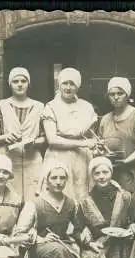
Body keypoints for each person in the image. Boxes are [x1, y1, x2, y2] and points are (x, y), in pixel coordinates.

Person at [16, 161, 84, 258]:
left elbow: (78, 228)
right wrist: (40, 239)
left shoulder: (72, 203)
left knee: (72, 252)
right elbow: (19, 233)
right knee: (56, 250)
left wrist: (83, 237)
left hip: (65, 244)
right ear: (46, 180)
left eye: (62, 178)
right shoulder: (35, 204)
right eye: (54, 178)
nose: (58, 182)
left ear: (66, 180)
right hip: (39, 247)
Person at [76, 157, 133, 258]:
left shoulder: (125, 196)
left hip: (121, 243)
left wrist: (131, 229)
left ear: (111, 173)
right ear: (92, 176)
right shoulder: (85, 200)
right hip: (97, 244)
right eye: (97, 173)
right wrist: (89, 243)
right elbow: (78, 228)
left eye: (105, 172)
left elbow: (133, 219)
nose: (101, 177)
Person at [40, 67, 99, 201]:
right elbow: (52, 139)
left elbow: (91, 135)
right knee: (61, 192)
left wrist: (95, 145)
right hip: (59, 156)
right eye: (65, 83)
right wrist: (83, 144)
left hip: (82, 158)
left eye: (72, 84)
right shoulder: (51, 107)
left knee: (82, 193)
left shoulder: (87, 107)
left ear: (78, 86)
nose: (68, 87)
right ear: (59, 85)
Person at [0, 67, 46, 201]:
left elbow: (45, 137)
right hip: (8, 159)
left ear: (29, 83)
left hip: (32, 159)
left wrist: (34, 142)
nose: (20, 84)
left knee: (33, 199)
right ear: (10, 84)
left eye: (23, 81)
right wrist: (5, 137)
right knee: (8, 198)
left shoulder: (39, 106)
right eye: (15, 81)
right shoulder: (1, 105)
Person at [98, 77, 135, 196]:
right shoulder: (105, 120)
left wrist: (126, 161)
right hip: (109, 173)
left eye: (120, 93)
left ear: (127, 94)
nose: (116, 97)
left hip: (131, 172)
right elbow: (101, 144)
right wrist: (99, 149)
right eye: (112, 94)